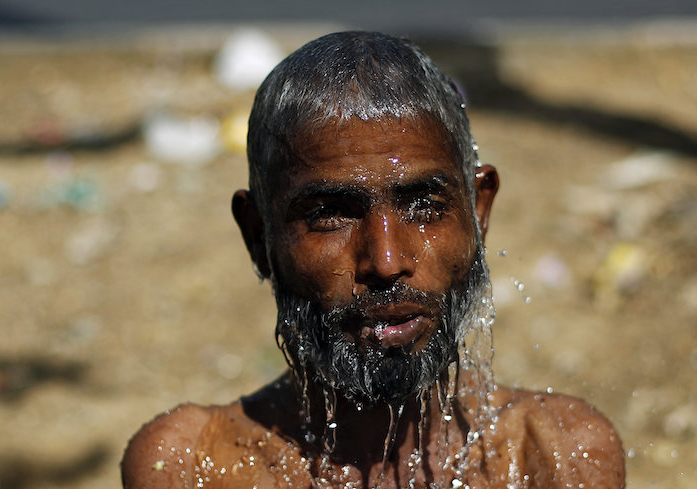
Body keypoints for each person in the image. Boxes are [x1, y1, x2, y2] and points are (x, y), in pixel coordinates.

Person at [122, 31, 625, 489]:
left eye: (425, 206)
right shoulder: (190, 466)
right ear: (259, 237)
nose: (386, 262)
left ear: (478, 213)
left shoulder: (553, 456)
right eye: (330, 215)